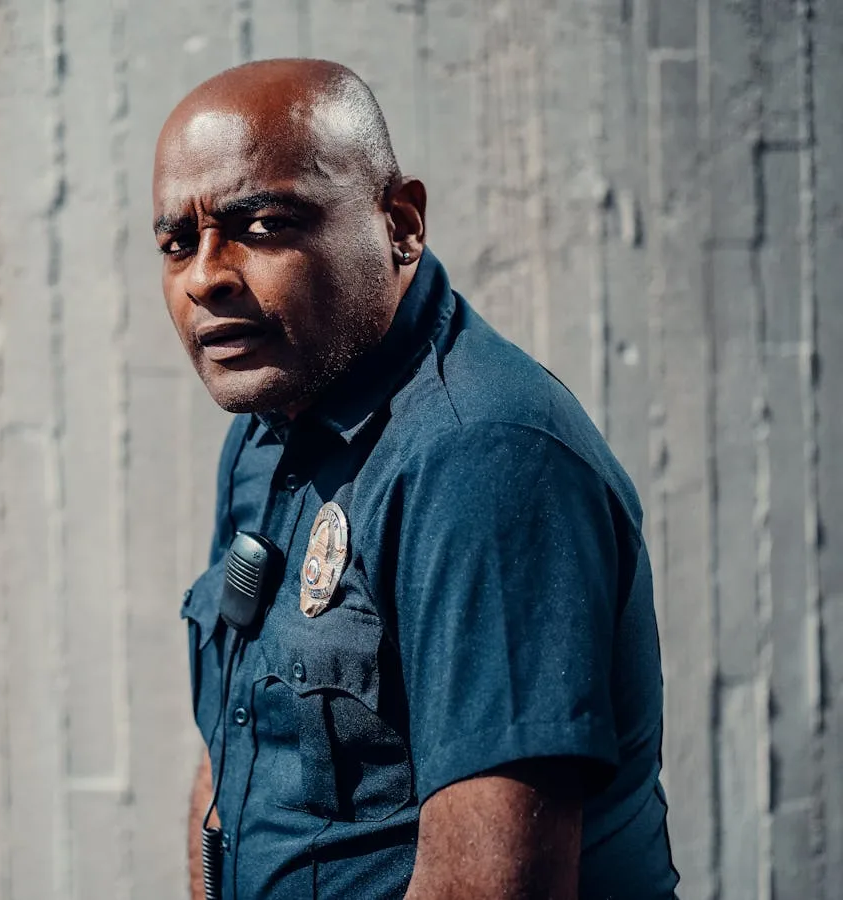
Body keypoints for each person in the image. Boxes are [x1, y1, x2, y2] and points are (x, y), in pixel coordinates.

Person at [154, 58, 679, 900]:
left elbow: (493, 888)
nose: (204, 276)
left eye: (260, 226)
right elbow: (236, 747)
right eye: (177, 242)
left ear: (400, 222)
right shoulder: (271, 419)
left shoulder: (484, 460)